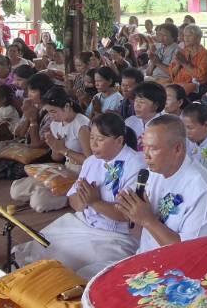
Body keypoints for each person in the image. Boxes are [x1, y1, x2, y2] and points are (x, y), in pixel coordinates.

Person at [10, 113, 146, 278]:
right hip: (83, 221)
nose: (94, 144)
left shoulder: (136, 166)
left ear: (119, 140)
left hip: (116, 235)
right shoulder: (91, 161)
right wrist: (82, 201)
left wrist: (94, 201)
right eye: (92, 138)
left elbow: (129, 215)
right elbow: (74, 198)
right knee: (42, 244)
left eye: (100, 140)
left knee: (72, 268)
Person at [117, 115, 207, 253]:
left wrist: (148, 220)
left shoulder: (202, 190)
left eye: (154, 148)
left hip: (178, 269)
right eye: (144, 147)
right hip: (146, 256)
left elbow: (190, 252)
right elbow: (141, 235)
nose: (146, 155)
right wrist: (132, 212)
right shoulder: (153, 172)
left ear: (178, 149)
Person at [168, 23, 207, 95]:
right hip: (178, 83)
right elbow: (171, 73)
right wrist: (178, 65)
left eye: (189, 36)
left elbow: (201, 77)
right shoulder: (183, 51)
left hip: (195, 87)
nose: (186, 38)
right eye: (184, 35)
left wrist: (184, 63)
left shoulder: (204, 54)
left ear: (198, 37)